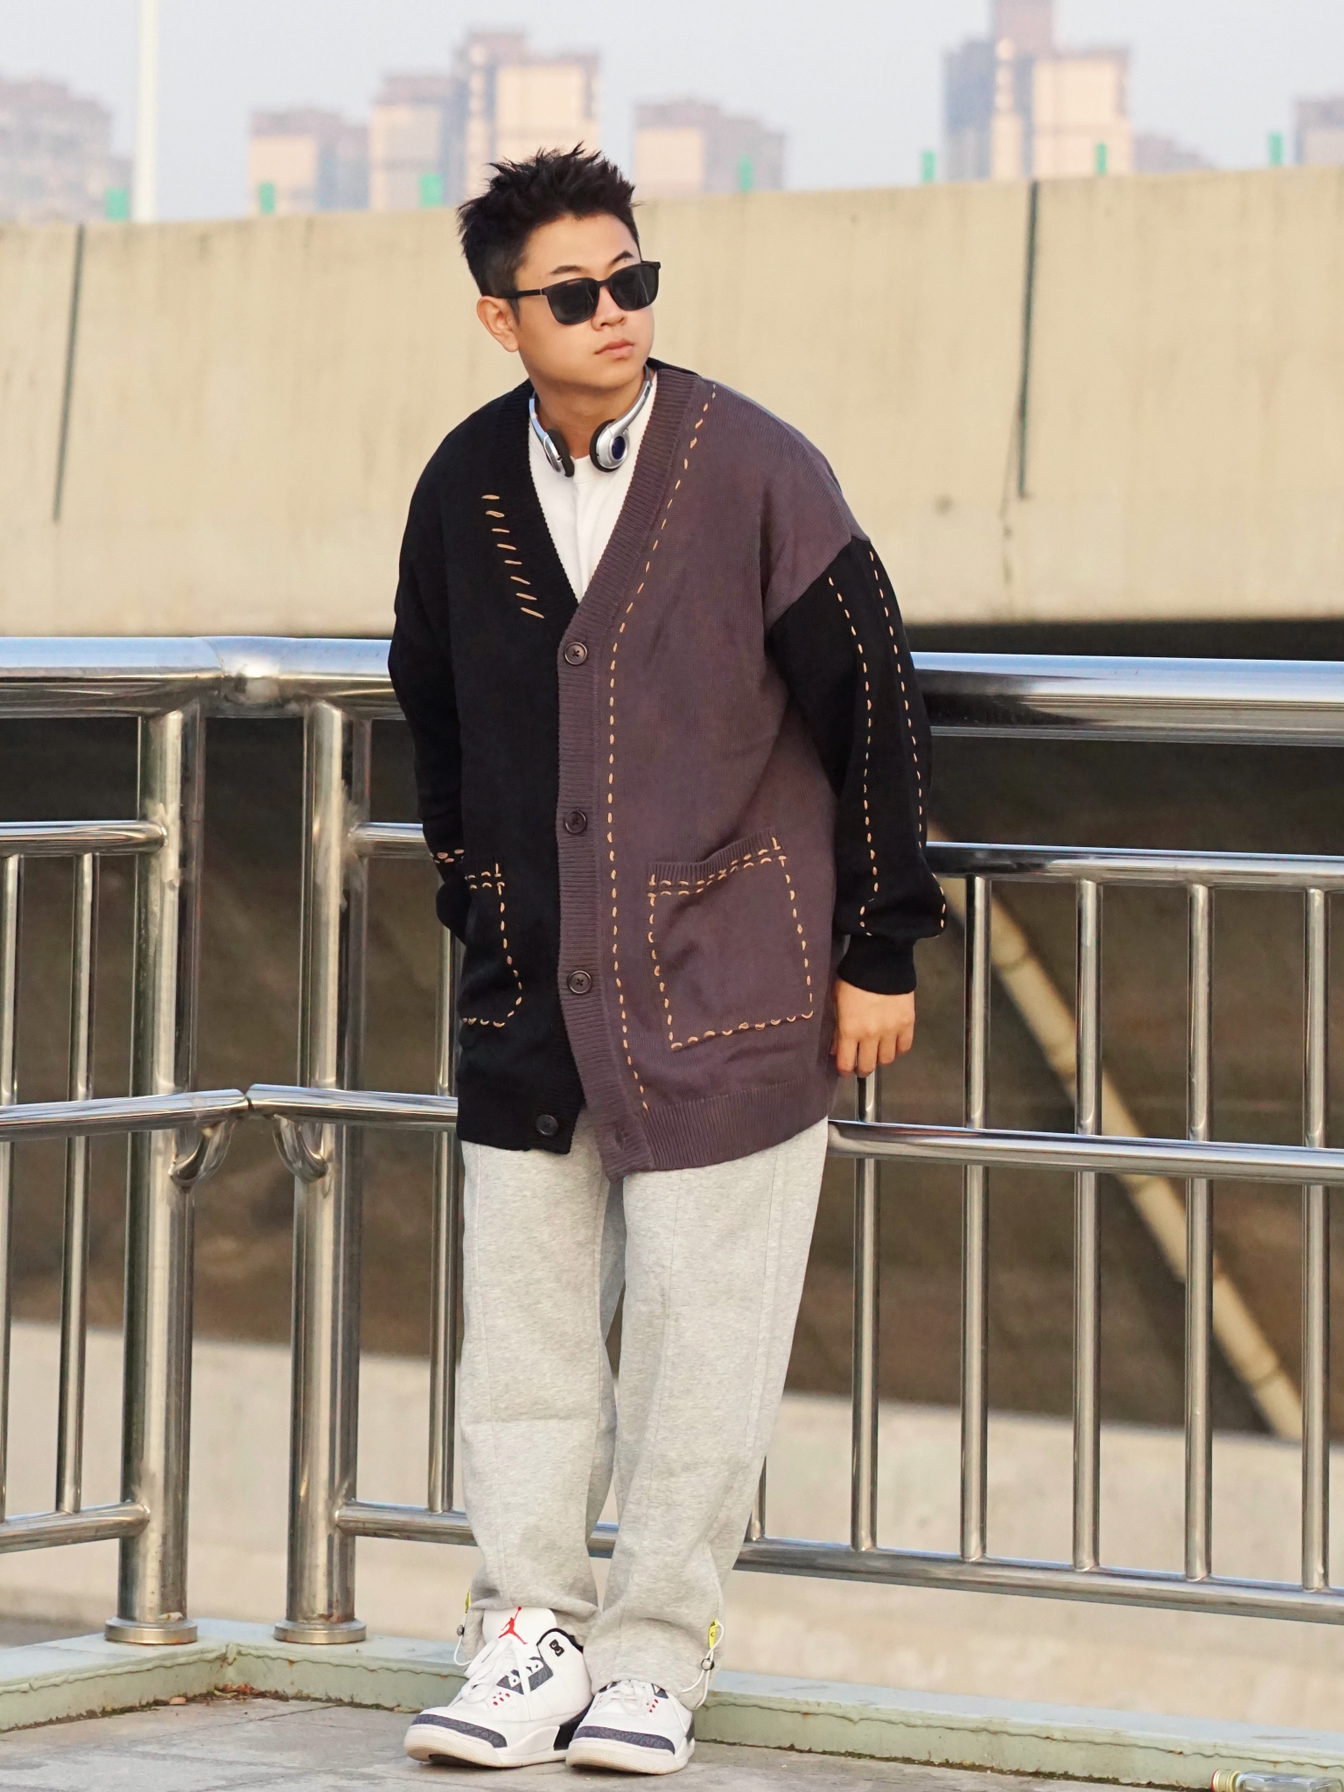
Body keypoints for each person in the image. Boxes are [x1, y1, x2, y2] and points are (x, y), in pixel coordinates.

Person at [390, 147, 944, 1776]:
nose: (617, 312)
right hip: (528, 991)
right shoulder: (464, 484)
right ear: (502, 319)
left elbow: (875, 706)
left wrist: (880, 945)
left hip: (734, 989)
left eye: (634, 280)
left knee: (705, 1347)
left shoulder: (756, 468)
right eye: (577, 294)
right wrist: (474, 891)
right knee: (526, 1342)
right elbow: (434, 703)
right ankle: (526, 1633)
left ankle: (653, 1652)